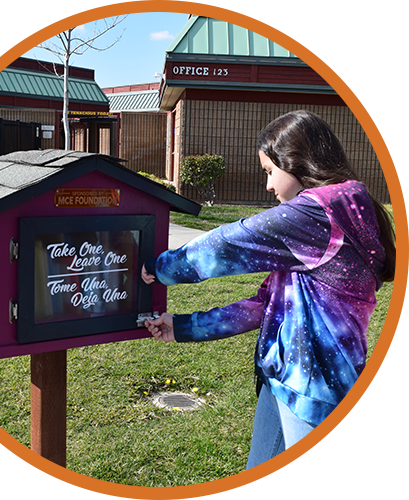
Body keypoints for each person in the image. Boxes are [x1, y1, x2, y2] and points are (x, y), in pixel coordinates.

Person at [141, 110, 396, 488]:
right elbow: (263, 306)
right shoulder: (323, 223)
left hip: (317, 394)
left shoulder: (318, 215)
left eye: (268, 171)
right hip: (283, 381)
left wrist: (161, 268)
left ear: (295, 162)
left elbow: (228, 243)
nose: (267, 186)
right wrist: (182, 327)